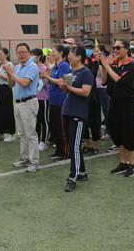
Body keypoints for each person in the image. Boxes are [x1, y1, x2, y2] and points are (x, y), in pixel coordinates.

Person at [98, 39, 134, 178]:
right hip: (114, 101)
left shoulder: (132, 65)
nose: (115, 50)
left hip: (127, 103)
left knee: (128, 132)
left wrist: (107, 66)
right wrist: (104, 67)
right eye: (114, 48)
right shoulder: (114, 64)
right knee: (116, 131)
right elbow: (104, 81)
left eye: (118, 47)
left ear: (126, 49)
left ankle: (131, 164)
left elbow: (119, 80)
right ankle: (123, 162)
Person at [59, 46, 94, 192]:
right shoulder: (71, 71)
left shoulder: (86, 73)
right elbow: (68, 90)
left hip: (78, 114)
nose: (68, 57)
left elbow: (85, 92)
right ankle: (82, 172)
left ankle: (73, 176)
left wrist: (68, 87)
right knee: (71, 145)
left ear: (79, 57)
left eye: (71, 54)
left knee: (74, 146)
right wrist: (64, 87)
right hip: (68, 111)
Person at [4, 42, 41, 173]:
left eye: (24, 52)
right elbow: (11, 85)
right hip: (19, 103)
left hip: (28, 102)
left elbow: (25, 83)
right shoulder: (18, 67)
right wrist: (9, 74)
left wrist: (11, 73)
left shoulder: (32, 66)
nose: (21, 55)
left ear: (29, 53)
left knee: (30, 133)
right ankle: (25, 158)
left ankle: (34, 161)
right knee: (22, 133)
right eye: (19, 52)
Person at [41, 44, 71, 161]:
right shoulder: (55, 67)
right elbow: (52, 83)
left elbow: (61, 81)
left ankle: (65, 152)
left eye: (53, 52)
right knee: (55, 127)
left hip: (61, 101)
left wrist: (47, 77)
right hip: (53, 100)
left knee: (62, 128)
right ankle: (58, 150)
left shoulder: (64, 66)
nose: (51, 54)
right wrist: (48, 76)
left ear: (61, 53)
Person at [81, 40, 101, 155]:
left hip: (91, 94)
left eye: (90, 48)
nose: (88, 49)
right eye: (86, 47)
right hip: (81, 95)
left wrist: (84, 65)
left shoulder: (94, 62)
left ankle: (95, 146)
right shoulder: (79, 61)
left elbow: (91, 75)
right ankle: (87, 145)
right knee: (84, 122)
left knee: (93, 121)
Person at [0, 48, 16, 142]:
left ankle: (11, 133)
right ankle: (0, 132)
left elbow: (8, 77)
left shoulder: (9, 64)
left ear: (6, 55)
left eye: (1, 54)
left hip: (6, 89)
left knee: (7, 110)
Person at [32, 48, 50, 151]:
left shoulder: (43, 68)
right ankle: (37, 140)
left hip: (42, 98)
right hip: (34, 98)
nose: (31, 57)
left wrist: (36, 89)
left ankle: (44, 141)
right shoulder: (32, 67)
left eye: (33, 55)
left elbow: (43, 83)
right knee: (36, 120)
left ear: (39, 57)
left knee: (43, 120)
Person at [94, 44, 111, 139]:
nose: (95, 53)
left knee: (106, 110)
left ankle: (108, 131)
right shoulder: (95, 62)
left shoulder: (105, 62)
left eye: (97, 51)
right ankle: (98, 131)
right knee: (97, 110)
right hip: (96, 88)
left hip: (103, 88)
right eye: (95, 51)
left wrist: (101, 62)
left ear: (102, 52)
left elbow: (103, 72)